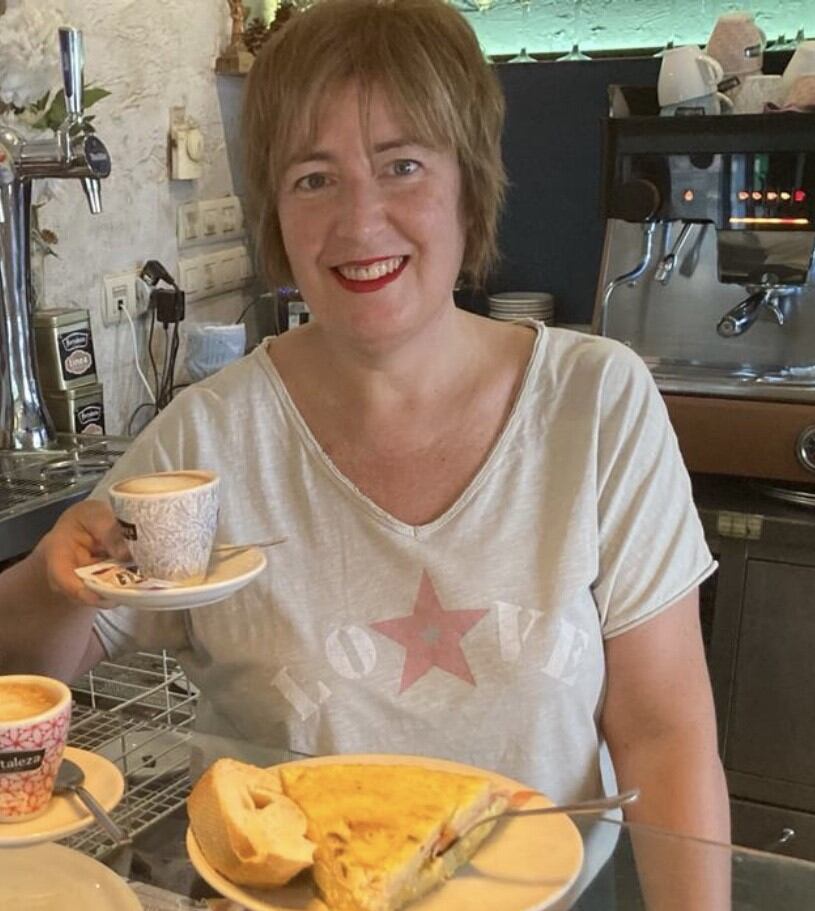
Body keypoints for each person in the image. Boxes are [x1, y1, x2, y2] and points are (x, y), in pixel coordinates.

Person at [0, 0, 729, 904]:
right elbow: (24, 673)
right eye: (314, 178)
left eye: (402, 165)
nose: (360, 220)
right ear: (274, 208)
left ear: (471, 183)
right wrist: (50, 574)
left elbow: (664, 732)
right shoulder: (206, 438)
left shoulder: (596, 403)